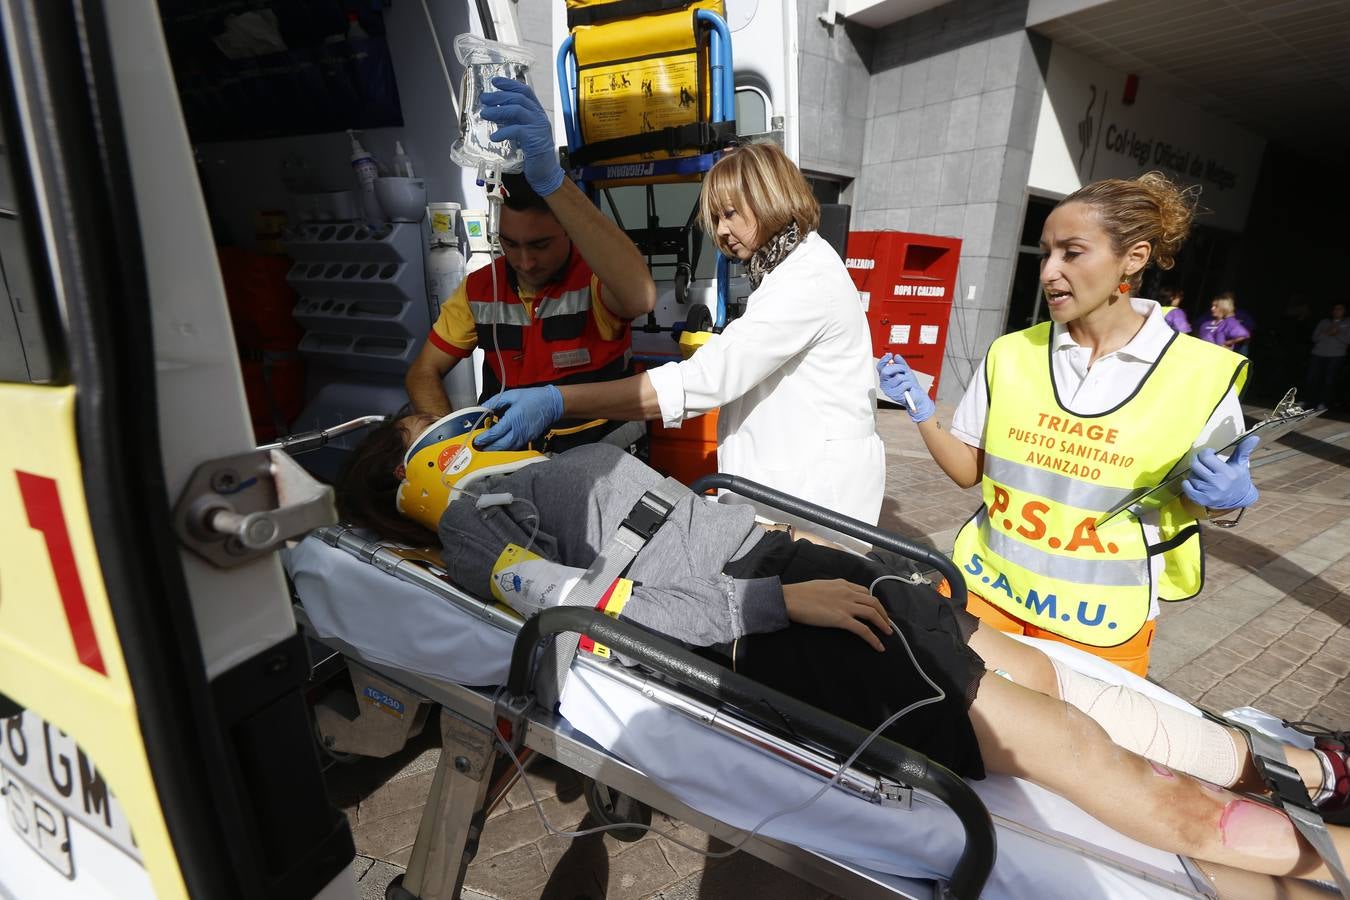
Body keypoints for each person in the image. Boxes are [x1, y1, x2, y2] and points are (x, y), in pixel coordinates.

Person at [335, 415, 1350, 894]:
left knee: (1042, 681)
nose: (448, 422)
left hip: (794, 568)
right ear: (405, 474)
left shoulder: (514, 462)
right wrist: (776, 599)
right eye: (423, 430)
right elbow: (591, 606)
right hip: (775, 623)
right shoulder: (469, 515)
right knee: (1090, 758)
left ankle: (1274, 788)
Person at [877, 172, 1257, 676]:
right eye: (1045, 253)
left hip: (1099, 623)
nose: (1049, 271)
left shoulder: (1203, 375)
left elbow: (1197, 501)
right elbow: (970, 471)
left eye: (1072, 253)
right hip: (985, 591)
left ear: (1134, 258)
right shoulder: (1012, 353)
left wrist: (1227, 505)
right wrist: (920, 409)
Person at [468, 141, 886, 527]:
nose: (721, 232)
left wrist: (558, 400)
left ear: (769, 200)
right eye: (716, 219)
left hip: (814, 497)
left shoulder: (805, 281)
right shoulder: (788, 269)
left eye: (730, 214)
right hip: (790, 487)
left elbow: (706, 380)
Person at [404, 78, 657, 450]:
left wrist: (554, 184)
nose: (524, 261)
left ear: (568, 231)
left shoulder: (595, 281)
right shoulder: (479, 289)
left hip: (601, 465)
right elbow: (422, 372)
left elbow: (640, 297)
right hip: (512, 468)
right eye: (510, 243)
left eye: (540, 244)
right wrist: (451, 447)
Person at [1306, 303, 1349, 410]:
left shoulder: (1348, 323)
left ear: (1345, 311)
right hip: (1318, 353)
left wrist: (1337, 333)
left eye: (1340, 309)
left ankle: (1323, 403)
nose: (1337, 311)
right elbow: (1315, 338)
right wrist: (1327, 332)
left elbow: (1348, 340)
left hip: (1336, 355)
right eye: (1335, 309)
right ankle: (1307, 400)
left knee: (1329, 380)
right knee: (1311, 378)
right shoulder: (1324, 322)